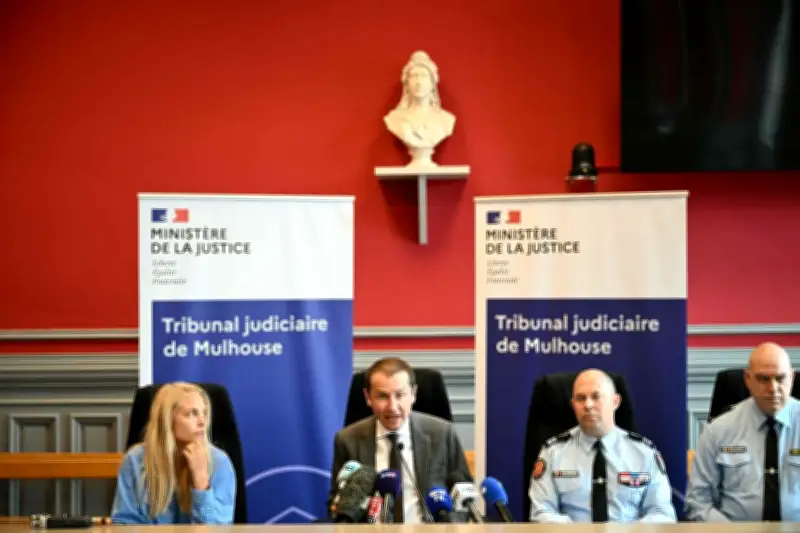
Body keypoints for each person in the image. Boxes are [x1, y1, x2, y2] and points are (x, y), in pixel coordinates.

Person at [328, 357, 472, 523]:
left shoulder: (442, 434)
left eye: (400, 395)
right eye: (382, 396)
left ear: (413, 394)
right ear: (368, 397)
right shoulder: (347, 440)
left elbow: (464, 498)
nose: (392, 407)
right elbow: (336, 502)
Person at [528, 369, 676, 523]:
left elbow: (662, 514)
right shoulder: (553, 453)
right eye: (580, 398)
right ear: (573, 405)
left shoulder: (644, 453)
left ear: (615, 402)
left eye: (596, 396)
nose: (588, 405)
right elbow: (541, 513)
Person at [684, 342, 800, 521]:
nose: (773, 388)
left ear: (791, 378)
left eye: (780, 378)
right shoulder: (718, 431)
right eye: (763, 379)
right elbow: (697, 502)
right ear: (747, 379)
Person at [111, 382, 237, 524]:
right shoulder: (135, 460)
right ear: (167, 419)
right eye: (192, 413)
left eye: (204, 413)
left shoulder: (219, 462)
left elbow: (218, 528)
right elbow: (125, 523)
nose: (202, 422)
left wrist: (201, 481)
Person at [383, 50, 456, 168]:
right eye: (414, 76)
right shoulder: (395, 119)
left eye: (424, 76)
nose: (418, 82)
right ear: (407, 83)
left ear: (432, 83)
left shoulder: (446, 120)